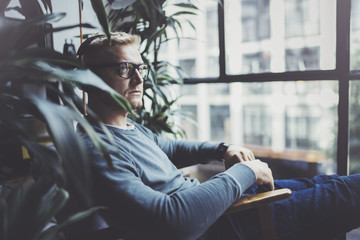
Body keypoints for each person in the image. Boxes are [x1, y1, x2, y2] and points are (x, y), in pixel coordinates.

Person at [69, 31, 360, 240]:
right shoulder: (95, 148)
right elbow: (172, 222)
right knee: (351, 191)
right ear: (88, 78)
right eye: (124, 68)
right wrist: (245, 172)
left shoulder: (127, 128)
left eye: (140, 67)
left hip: (226, 207)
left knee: (331, 183)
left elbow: (168, 146)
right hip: (227, 225)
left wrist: (223, 148)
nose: (139, 77)